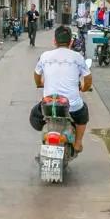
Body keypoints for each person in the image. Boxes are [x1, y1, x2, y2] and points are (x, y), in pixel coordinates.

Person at [33, 25, 93, 154]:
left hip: (49, 104)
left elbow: (37, 75)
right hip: (72, 106)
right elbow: (88, 79)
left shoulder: (45, 56)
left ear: (54, 41)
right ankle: (77, 144)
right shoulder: (77, 57)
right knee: (83, 114)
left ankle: (46, 132)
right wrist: (84, 88)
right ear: (71, 41)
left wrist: (40, 84)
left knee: (35, 114)